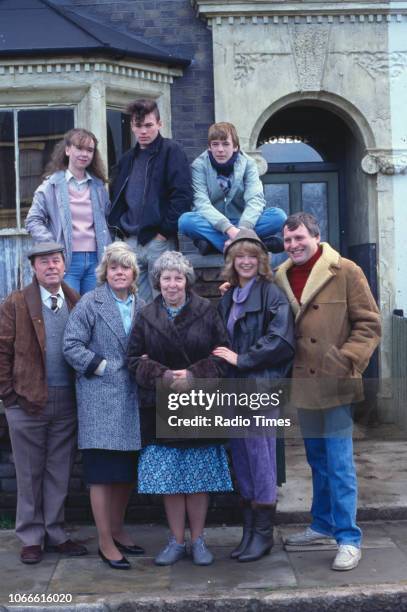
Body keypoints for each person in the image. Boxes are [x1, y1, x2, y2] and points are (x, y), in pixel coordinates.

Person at [274, 212, 381, 571]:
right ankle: (321, 524)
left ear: (316, 236)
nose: (293, 246)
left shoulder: (346, 270)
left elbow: (369, 323)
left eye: (299, 238)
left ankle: (349, 539)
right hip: (304, 384)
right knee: (317, 461)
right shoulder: (282, 275)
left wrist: (346, 361)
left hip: (335, 383)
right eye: (288, 241)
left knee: (339, 465)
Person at [127, 251, 233, 566]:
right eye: (166, 278)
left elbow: (223, 357)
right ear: (157, 281)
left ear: (186, 280)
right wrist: (161, 375)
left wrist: (193, 375)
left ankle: (198, 541)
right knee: (170, 479)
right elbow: (132, 360)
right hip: (162, 405)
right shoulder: (146, 315)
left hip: (199, 402)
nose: (172, 284)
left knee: (198, 478)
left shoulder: (207, 311)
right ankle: (175, 541)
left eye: (177, 277)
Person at [0, 242, 88, 564]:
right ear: (33, 268)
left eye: (56, 260)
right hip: (26, 401)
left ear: (65, 266)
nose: (51, 266)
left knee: (59, 471)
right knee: (28, 472)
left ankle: (56, 532)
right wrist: (9, 397)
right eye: (43, 261)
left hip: (66, 401)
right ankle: (31, 536)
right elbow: (1, 351)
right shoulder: (17, 302)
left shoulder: (77, 302)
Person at [214, 229, 295, 562]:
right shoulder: (228, 296)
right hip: (234, 390)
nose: (245, 261)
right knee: (243, 458)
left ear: (261, 261)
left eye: (251, 256)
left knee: (261, 458)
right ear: (232, 262)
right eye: (239, 256)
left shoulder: (271, 294)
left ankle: (263, 534)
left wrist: (242, 359)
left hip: (260, 387)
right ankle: (249, 531)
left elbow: (281, 340)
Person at [63, 242, 143, 570]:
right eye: (114, 267)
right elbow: (71, 345)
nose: (119, 272)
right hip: (100, 397)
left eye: (125, 267)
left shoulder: (142, 303)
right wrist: (103, 367)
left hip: (132, 399)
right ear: (105, 272)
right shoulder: (90, 303)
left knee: (125, 472)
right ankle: (104, 541)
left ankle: (118, 529)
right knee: (101, 474)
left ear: (134, 273)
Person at [108, 99, 192, 303]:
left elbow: (182, 195)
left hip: (159, 241)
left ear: (159, 124)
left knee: (167, 300)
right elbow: (116, 195)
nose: (143, 131)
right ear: (132, 126)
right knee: (138, 304)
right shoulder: (128, 158)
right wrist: (120, 230)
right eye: (139, 126)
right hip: (131, 241)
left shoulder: (172, 151)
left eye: (148, 125)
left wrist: (163, 233)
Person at [178, 122, 287, 255]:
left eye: (225, 144)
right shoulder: (199, 166)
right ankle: (257, 245)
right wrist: (229, 229)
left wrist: (242, 229)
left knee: (278, 217)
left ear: (235, 146)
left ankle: (216, 245)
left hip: (244, 222)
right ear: (209, 147)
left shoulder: (249, 164)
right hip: (213, 224)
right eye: (215, 144)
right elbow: (201, 203)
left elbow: (255, 199)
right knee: (186, 221)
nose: (220, 149)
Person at [25, 128, 111, 294]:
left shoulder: (98, 186)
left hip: (97, 259)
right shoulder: (51, 186)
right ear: (67, 150)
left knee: (94, 310)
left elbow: (108, 221)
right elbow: (32, 221)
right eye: (79, 148)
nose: (84, 154)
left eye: (89, 150)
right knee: (70, 310)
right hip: (67, 260)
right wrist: (54, 245)